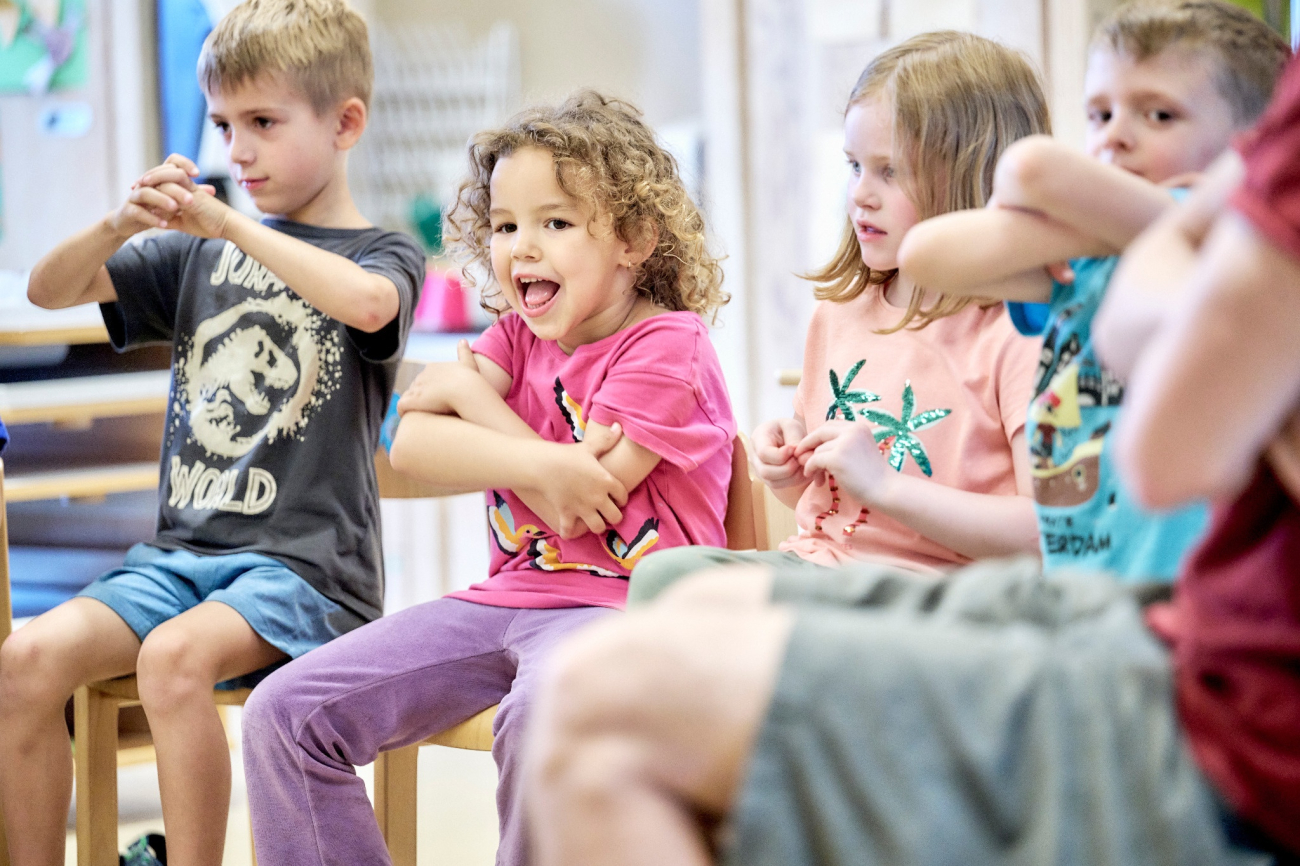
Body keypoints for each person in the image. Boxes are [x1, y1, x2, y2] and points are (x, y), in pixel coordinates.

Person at [240, 90, 736, 866]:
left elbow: (584, 504)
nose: (523, 248)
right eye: (506, 226)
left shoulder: (671, 346)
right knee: (286, 711)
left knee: (543, 713)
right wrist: (538, 456)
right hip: (502, 603)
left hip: (626, 607)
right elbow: (410, 445)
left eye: (556, 223)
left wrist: (473, 398)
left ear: (636, 237)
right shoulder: (515, 334)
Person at [0, 2, 425, 864]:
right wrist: (121, 224)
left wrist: (233, 224)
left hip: (308, 573)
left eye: (264, 122)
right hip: (179, 562)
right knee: (24, 661)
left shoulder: (380, 252)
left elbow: (371, 306)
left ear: (346, 123)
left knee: (171, 660)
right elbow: (50, 290)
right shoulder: (195, 256)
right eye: (226, 124)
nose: (239, 151)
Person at [628, 31, 1044, 605]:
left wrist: (887, 486)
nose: (860, 195)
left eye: (890, 172)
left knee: (693, 610)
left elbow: (1044, 536)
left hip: (939, 601)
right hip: (823, 571)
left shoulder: (1019, 332)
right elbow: (828, 503)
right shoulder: (839, 315)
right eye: (853, 166)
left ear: (974, 175)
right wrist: (792, 469)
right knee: (664, 578)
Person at [897, 0, 1288, 582]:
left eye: (1159, 115)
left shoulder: (1231, 248)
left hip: (1177, 581)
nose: (1116, 138)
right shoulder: (1086, 253)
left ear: (1250, 147)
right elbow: (924, 255)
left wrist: (1061, 205)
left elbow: (1031, 167)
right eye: (1100, 114)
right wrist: (1081, 223)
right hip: (1078, 578)